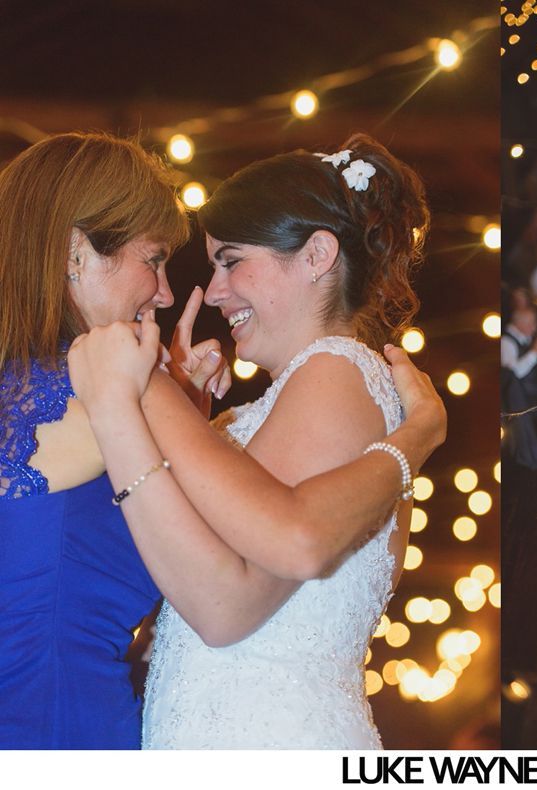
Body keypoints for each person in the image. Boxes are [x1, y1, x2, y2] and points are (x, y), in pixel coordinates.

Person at [0, 132, 444, 749]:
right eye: (155, 260)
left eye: (232, 261)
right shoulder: (103, 392)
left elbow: (238, 589)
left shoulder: (334, 371)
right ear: (76, 251)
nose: (192, 292)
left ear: (317, 256)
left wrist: (164, 399)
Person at [501, 307, 537, 469]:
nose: (535, 328)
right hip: (519, 399)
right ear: (521, 323)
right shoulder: (506, 342)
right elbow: (513, 375)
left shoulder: (526, 338)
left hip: (535, 391)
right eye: (532, 324)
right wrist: (534, 352)